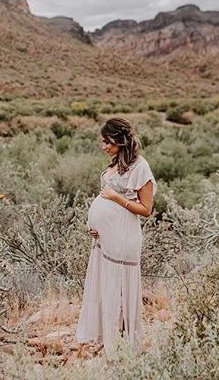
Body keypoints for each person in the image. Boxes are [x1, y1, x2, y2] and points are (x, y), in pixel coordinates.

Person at [75, 117, 157, 357]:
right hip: (105, 240)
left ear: (119, 140)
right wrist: (95, 225)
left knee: (118, 291)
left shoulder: (141, 167)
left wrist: (114, 197)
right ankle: (110, 341)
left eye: (106, 141)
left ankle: (124, 348)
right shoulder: (116, 163)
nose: (103, 146)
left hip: (124, 239)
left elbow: (146, 209)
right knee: (107, 289)